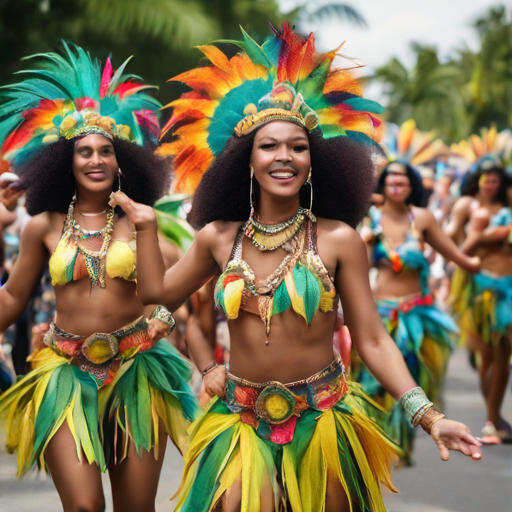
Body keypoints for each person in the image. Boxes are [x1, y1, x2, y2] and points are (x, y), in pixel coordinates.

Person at [112, 25, 481, 512]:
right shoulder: (219, 237)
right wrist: (141, 225)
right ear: (247, 162)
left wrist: (428, 415)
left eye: (298, 146)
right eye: (269, 146)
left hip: (323, 418)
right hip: (240, 422)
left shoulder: (338, 239)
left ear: (314, 162)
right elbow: (156, 292)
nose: (284, 156)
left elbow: (371, 339)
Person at [0, 43, 197, 512]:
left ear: (121, 161)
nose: (95, 159)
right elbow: (12, 297)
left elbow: (166, 293)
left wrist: (165, 320)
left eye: (106, 151)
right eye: (83, 151)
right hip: (64, 373)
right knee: (84, 507)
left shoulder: (142, 221)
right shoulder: (44, 226)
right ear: (65, 163)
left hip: (137, 371)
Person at [357, 160, 479, 464]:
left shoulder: (421, 217)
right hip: (381, 315)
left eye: (403, 178)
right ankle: (377, 444)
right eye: (391, 177)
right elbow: (357, 269)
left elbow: (452, 252)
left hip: (419, 316)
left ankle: (404, 443)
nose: (397, 182)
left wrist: (477, 265)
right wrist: (366, 241)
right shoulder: (371, 220)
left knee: (414, 380)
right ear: (383, 185)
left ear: (411, 184)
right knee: (374, 385)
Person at [447, 155, 512, 444]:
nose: (490, 184)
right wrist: (477, 239)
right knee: (485, 357)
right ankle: (494, 416)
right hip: (478, 290)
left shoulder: (507, 205)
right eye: (485, 179)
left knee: (501, 353)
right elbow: (449, 237)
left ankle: (492, 419)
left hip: (507, 290)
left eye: (495, 180)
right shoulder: (466, 205)